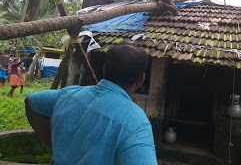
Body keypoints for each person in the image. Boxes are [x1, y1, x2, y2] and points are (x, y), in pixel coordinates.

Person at [25, 43, 157, 165]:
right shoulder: (135, 122)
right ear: (141, 80)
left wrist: (55, 147)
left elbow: (30, 102)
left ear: (104, 68)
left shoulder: (67, 95)